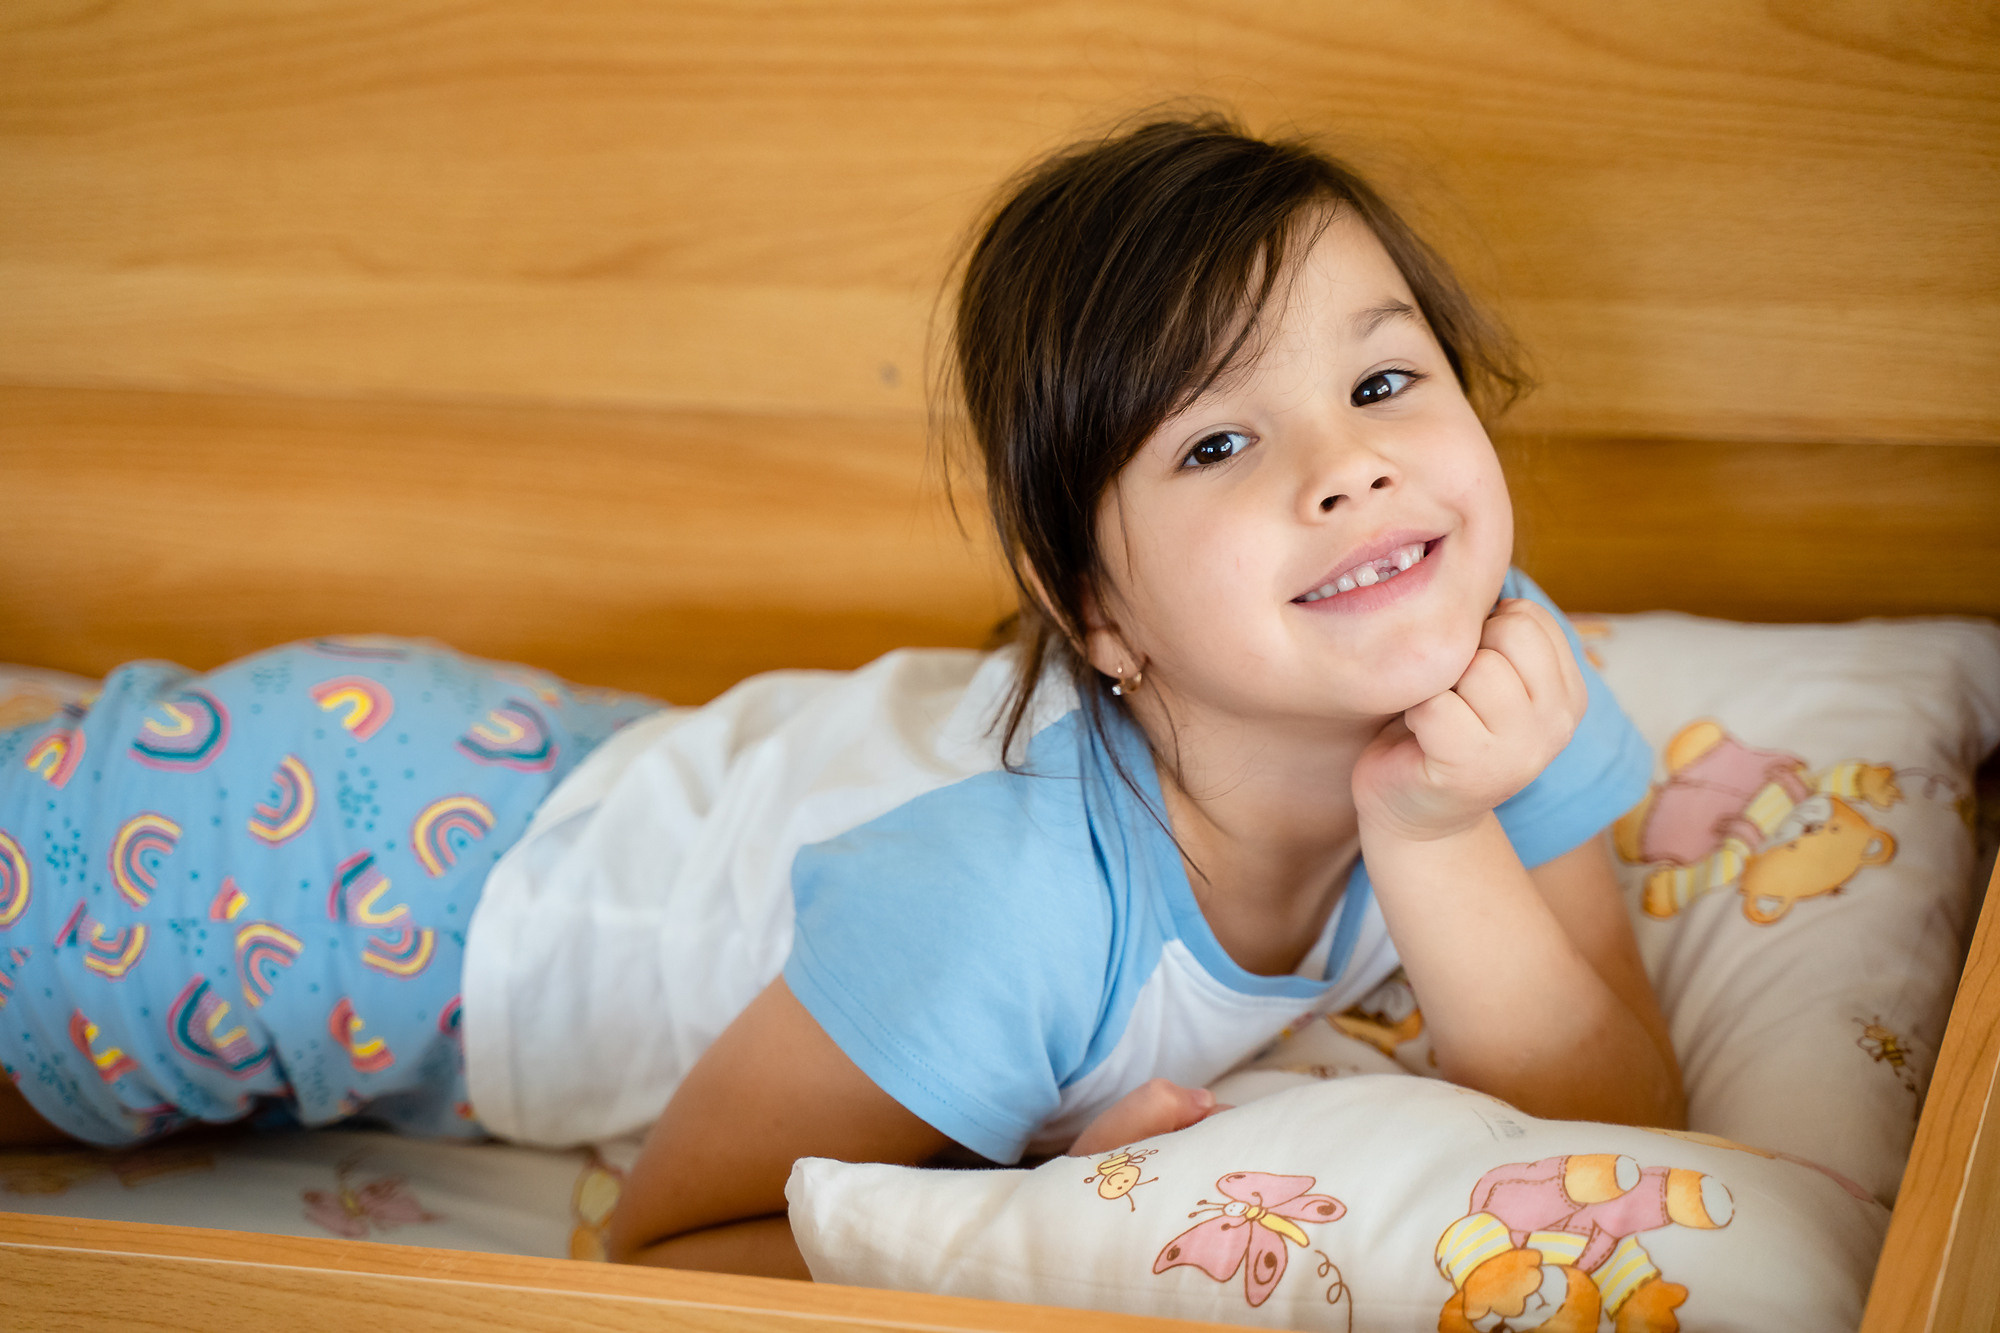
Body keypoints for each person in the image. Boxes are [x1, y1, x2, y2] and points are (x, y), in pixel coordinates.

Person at [0, 116, 1683, 1280]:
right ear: (1099, 612)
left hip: (592, 793)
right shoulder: (1010, 898)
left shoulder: (1482, 652)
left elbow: (1627, 1140)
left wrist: (1437, 829)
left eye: (1385, 379)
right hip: (353, 889)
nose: (1353, 471)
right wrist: (1031, 1206)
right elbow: (667, 1242)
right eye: (1218, 441)